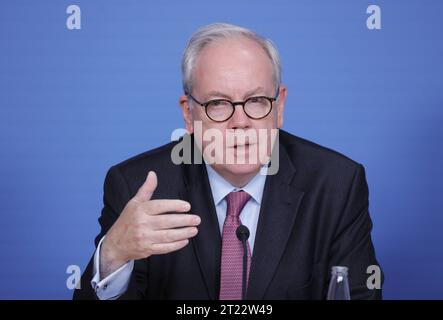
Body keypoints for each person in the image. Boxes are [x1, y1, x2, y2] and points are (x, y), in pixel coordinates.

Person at [74, 23, 382, 300]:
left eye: (257, 101)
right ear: (188, 113)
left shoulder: (336, 184)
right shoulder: (137, 186)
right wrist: (113, 255)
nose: (240, 122)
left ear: (280, 106)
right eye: (218, 104)